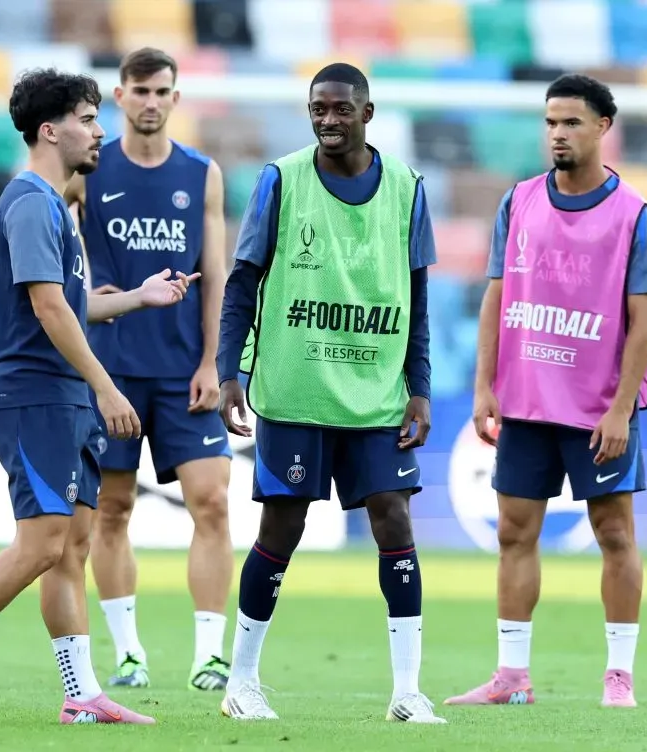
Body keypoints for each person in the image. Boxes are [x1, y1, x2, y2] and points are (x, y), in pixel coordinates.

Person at [0, 68, 199, 726]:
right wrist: (106, 383)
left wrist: (137, 297)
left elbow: (74, 303)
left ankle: (81, 692)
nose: (100, 131)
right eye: (90, 119)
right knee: (41, 544)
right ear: (50, 129)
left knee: (73, 547)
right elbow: (48, 307)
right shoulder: (33, 202)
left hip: (61, 396)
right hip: (36, 394)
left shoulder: (54, 207)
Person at [214, 63, 444, 725]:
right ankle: (242, 681)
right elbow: (241, 282)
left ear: (367, 113)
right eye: (318, 108)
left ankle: (407, 692)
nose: (328, 119)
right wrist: (230, 370)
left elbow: (419, 297)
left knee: (394, 519)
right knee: (282, 526)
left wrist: (419, 390)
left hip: (374, 392)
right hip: (295, 389)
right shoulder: (280, 182)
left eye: (341, 109)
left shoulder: (407, 188)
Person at [444, 74, 647, 710]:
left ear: (602, 128)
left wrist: (622, 408)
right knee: (514, 531)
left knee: (615, 533)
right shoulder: (518, 202)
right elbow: (497, 295)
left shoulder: (634, 216)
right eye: (550, 123)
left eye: (571, 123)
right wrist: (484, 386)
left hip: (599, 405)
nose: (558, 134)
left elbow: (645, 318)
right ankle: (512, 677)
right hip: (526, 400)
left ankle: (618, 676)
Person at [64, 47, 233, 692]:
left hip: (183, 369)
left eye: (162, 91)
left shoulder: (202, 173)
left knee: (212, 502)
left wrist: (214, 361)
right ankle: (129, 651)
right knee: (112, 508)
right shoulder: (88, 171)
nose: (151, 102)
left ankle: (209, 656)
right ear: (119, 97)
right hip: (111, 367)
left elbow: (216, 273)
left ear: (176, 98)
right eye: (140, 91)